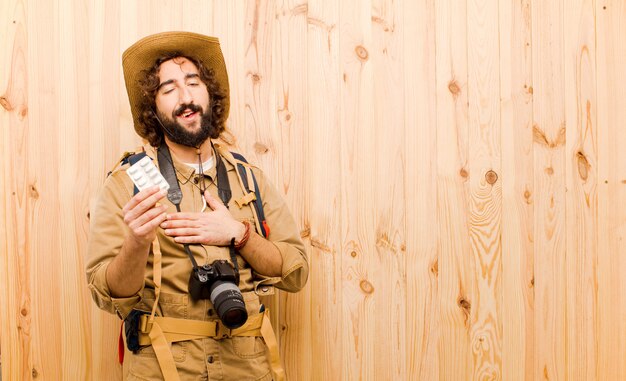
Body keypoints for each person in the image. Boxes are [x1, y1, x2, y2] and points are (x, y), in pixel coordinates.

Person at [86, 31, 308, 381]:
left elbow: (295, 272)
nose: (186, 97)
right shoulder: (127, 184)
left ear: (211, 94)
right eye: (169, 89)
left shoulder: (249, 180)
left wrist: (240, 234)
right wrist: (137, 242)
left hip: (248, 367)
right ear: (152, 107)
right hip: (163, 368)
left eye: (194, 83)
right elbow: (106, 294)